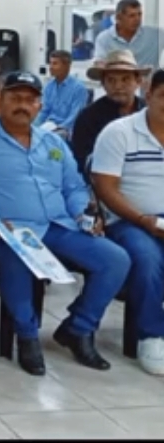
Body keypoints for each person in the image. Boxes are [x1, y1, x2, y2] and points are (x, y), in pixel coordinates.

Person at [0, 72, 131, 376]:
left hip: (58, 226)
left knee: (116, 259)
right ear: (2, 101)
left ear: (39, 105)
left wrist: (83, 215)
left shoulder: (53, 142)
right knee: (16, 258)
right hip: (6, 230)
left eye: (30, 99)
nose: (22, 105)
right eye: (15, 98)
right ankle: (27, 336)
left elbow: (73, 187)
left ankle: (79, 327)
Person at [92, 69, 164, 375]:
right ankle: (152, 336)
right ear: (148, 96)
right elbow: (105, 187)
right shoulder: (119, 132)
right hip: (128, 220)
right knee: (147, 258)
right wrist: (144, 220)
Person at [71, 49, 149, 176]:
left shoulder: (150, 112)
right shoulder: (88, 117)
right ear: (103, 84)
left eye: (125, 79)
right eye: (111, 80)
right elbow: (83, 162)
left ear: (138, 82)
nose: (118, 86)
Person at [93, 0, 161, 69]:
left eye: (139, 14)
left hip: (149, 76)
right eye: (132, 16)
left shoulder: (154, 35)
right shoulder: (104, 38)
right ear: (118, 18)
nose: (137, 19)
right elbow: (99, 62)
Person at [34, 50, 87, 139]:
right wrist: (32, 125)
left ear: (66, 66)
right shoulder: (49, 86)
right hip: (49, 125)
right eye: (50, 63)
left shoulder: (79, 88)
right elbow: (44, 111)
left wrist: (59, 128)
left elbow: (74, 116)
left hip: (66, 129)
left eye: (55, 64)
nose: (50, 67)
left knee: (45, 138)